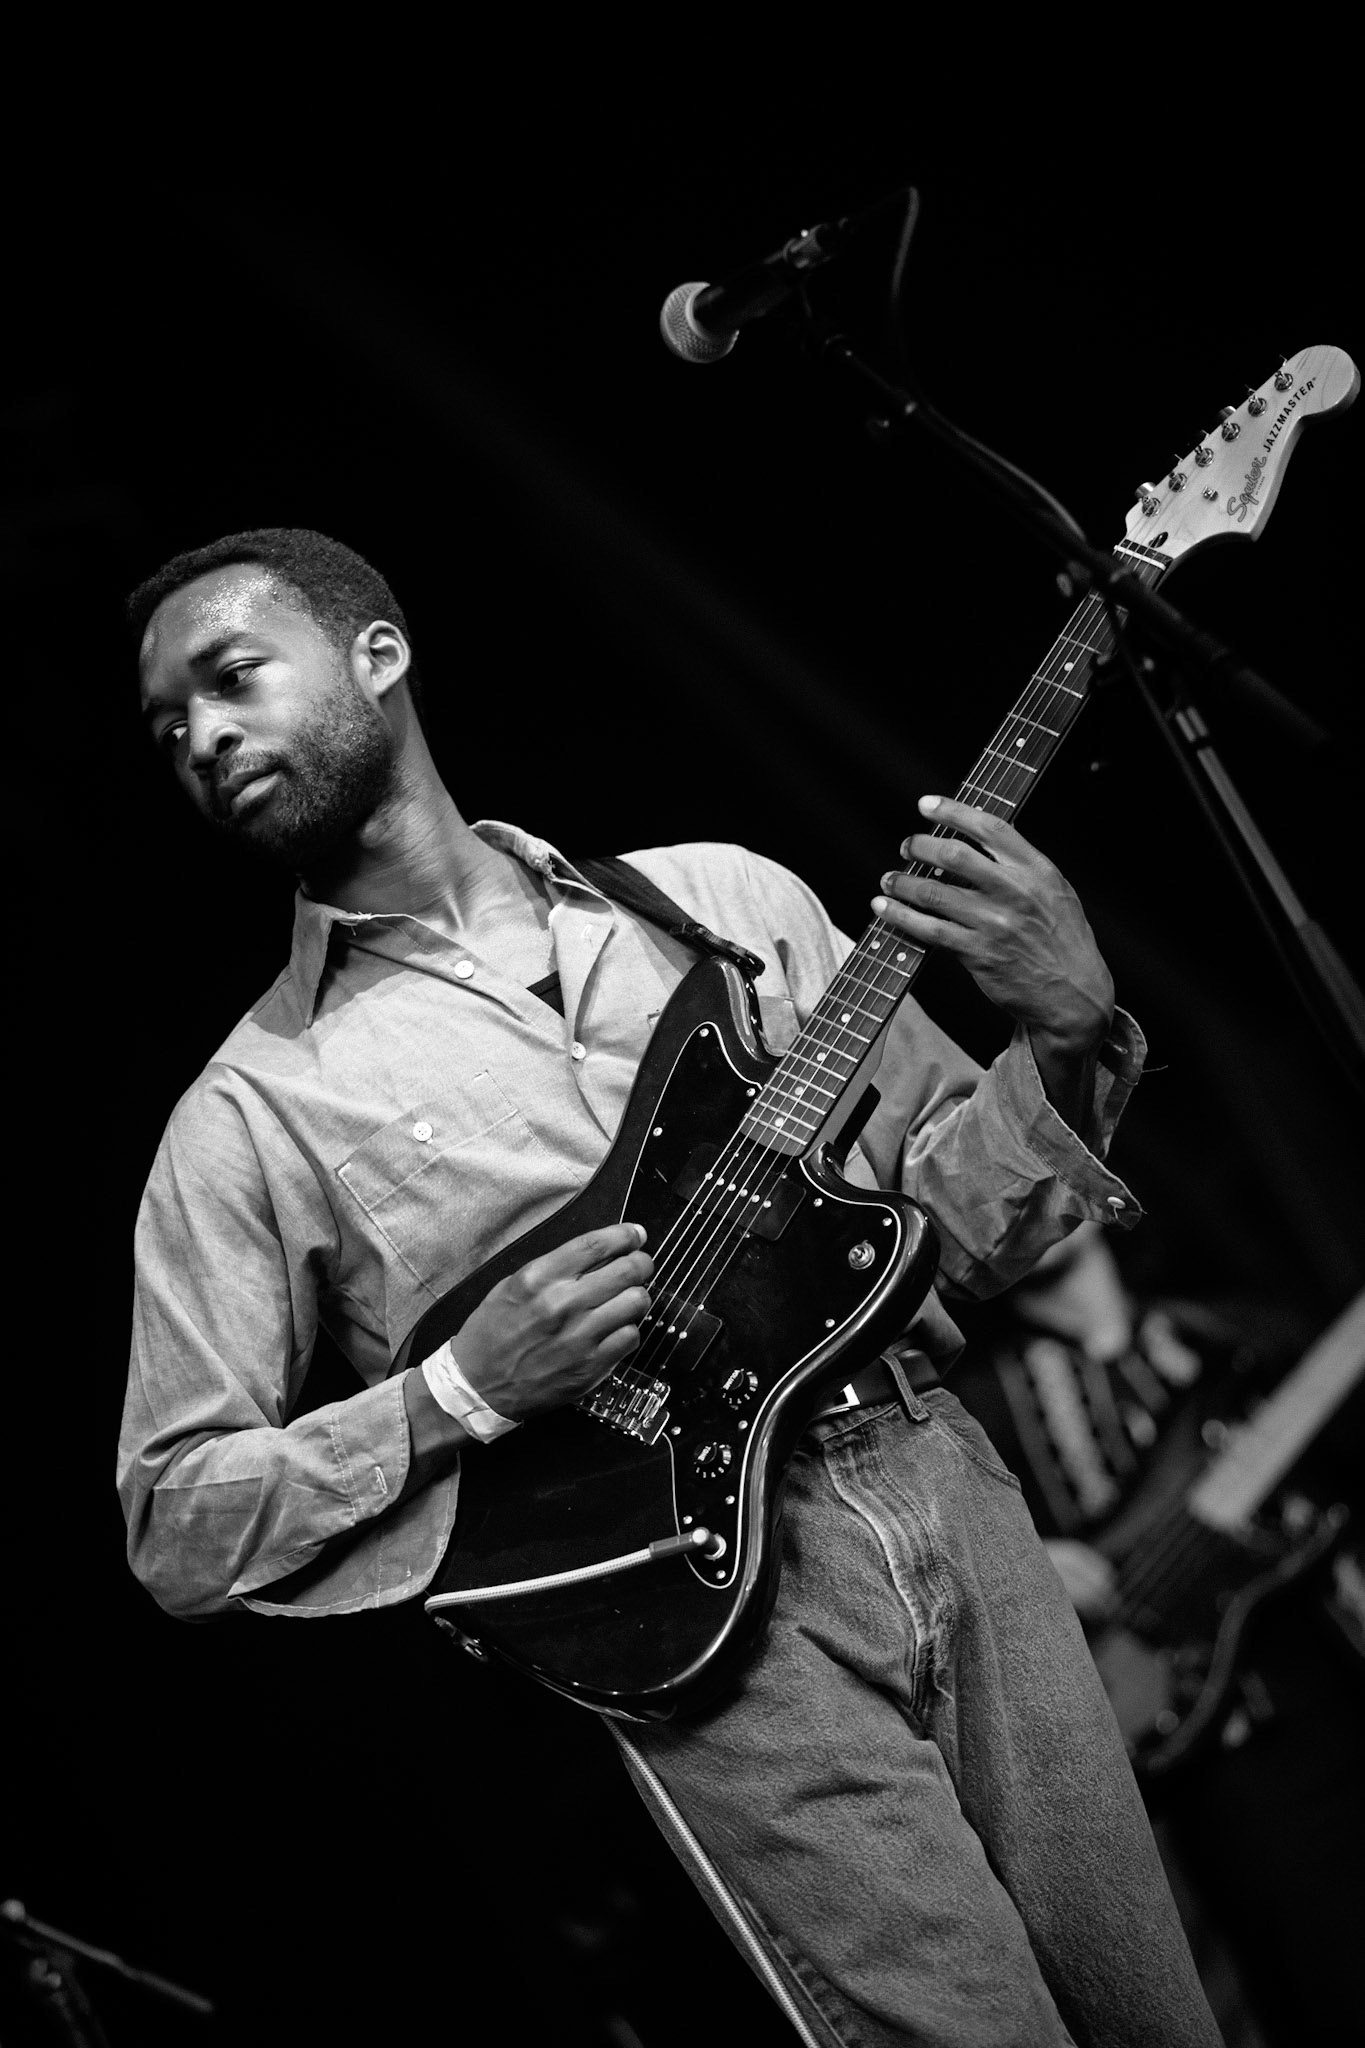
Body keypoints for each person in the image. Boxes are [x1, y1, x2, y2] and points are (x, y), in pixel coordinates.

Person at [119, 528, 1222, 2048]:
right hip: (699, 1612)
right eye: (168, 726)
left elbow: (956, 1239)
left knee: (1154, 2012)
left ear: (378, 654)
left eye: (233, 677)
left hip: (939, 1472)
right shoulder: (251, 1111)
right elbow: (178, 1518)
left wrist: (1071, 1034)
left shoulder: (717, 901)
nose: (202, 735)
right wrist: (454, 1393)